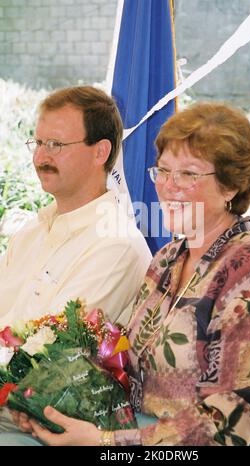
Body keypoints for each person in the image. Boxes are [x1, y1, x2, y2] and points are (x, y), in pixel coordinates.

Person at [6, 102, 250, 446]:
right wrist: (46, 403)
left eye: (188, 174)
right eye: (162, 170)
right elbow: (129, 372)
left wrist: (106, 443)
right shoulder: (167, 260)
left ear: (230, 186)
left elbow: (232, 422)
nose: (169, 186)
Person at [0, 86, 152, 433]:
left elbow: (42, 362)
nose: (40, 157)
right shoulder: (30, 235)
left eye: (56, 145)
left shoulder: (117, 245)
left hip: (33, 427)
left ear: (101, 152)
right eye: (37, 143)